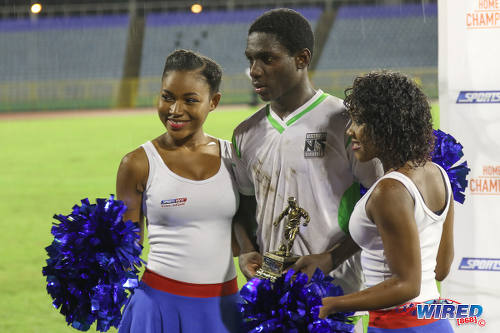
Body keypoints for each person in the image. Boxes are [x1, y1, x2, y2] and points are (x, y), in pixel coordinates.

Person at [231, 8, 383, 330]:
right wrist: (246, 251)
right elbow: (244, 205)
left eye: (267, 59)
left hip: (334, 291)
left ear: (301, 59)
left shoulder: (345, 121)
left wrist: (331, 258)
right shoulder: (245, 133)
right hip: (271, 291)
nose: (254, 71)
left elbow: (380, 206)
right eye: (250, 60)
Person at [319, 71, 455, 333]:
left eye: (359, 121)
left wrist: (333, 304)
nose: (350, 131)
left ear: (385, 124)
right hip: (434, 322)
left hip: (399, 326)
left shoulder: (389, 191)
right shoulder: (439, 174)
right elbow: (441, 268)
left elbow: (407, 285)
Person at [116, 49, 241, 333]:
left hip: (223, 307)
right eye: (167, 97)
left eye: (190, 100)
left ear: (214, 102)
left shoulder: (234, 157)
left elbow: (243, 237)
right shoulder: (136, 163)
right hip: (158, 306)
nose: (175, 110)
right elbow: (128, 247)